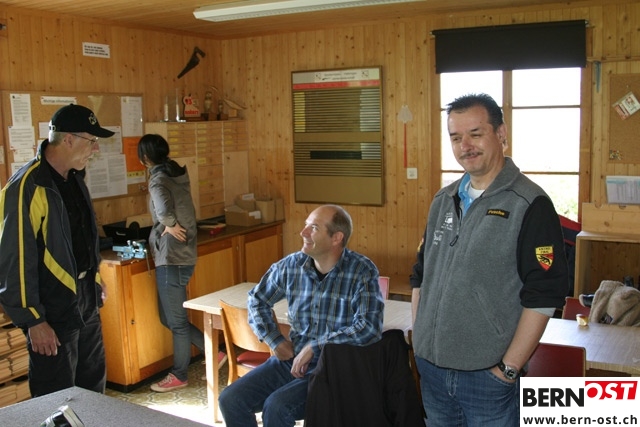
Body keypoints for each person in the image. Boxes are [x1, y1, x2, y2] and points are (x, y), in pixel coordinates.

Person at [410, 93, 569, 425]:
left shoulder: (530, 204)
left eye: (475, 134)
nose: (465, 146)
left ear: (501, 133)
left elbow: (544, 294)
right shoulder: (443, 199)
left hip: (488, 380)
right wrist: (421, 345)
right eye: (456, 137)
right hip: (432, 374)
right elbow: (421, 276)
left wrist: (508, 369)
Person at [219, 204, 384, 427]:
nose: (303, 232)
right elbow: (257, 300)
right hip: (293, 360)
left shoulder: (361, 271)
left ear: (336, 238)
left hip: (334, 369)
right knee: (230, 399)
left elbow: (369, 327)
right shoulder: (291, 265)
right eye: (306, 225)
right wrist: (275, 340)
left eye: (313, 228)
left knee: (277, 407)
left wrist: (316, 346)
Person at [0, 104, 114, 397]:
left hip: (85, 299)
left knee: (93, 388)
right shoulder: (26, 187)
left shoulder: (75, 178)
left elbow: (81, 239)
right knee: (58, 395)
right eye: (92, 141)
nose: (95, 149)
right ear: (69, 140)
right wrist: (33, 320)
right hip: (51, 308)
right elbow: (14, 260)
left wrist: (95, 278)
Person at [137, 134, 212, 392]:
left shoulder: (158, 179)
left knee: (177, 322)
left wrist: (168, 225)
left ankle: (179, 375)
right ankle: (213, 352)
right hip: (184, 254)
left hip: (171, 258)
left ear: (145, 157)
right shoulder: (176, 173)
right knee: (168, 318)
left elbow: (163, 211)